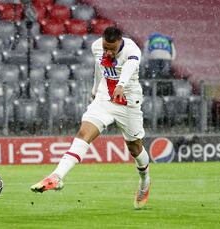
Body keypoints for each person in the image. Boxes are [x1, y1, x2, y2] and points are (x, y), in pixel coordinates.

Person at [30, 26, 151, 209]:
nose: (108, 52)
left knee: (135, 148)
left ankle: (145, 182)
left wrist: (121, 84)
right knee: (83, 133)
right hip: (104, 98)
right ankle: (57, 176)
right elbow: (99, 68)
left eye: (112, 48)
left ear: (120, 42)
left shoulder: (132, 49)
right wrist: (95, 89)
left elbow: (131, 66)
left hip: (128, 102)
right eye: (105, 47)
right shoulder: (96, 46)